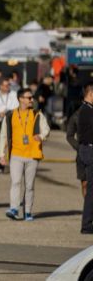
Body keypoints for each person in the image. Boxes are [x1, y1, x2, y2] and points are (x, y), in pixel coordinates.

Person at [0, 87, 50, 221]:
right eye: (29, 97)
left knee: (30, 185)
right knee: (15, 182)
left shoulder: (37, 114)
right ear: (21, 99)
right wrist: (1, 154)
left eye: (32, 98)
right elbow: (3, 135)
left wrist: (41, 136)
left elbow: (46, 130)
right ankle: (14, 208)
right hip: (16, 154)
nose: (32, 100)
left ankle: (27, 211)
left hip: (32, 155)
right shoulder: (10, 115)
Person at [0, 78, 19, 174]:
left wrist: (8, 112)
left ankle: (15, 166)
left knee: (12, 144)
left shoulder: (13, 94)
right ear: (0, 86)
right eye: (5, 85)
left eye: (8, 85)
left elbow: (16, 106)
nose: (7, 87)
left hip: (11, 122)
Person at [76, 83, 93, 234]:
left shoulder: (87, 109)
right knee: (91, 190)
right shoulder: (86, 110)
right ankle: (87, 224)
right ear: (90, 94)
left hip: (87, 149)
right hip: (89, 150)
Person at [66, 107, 87, 198]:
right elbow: (69, 136)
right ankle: (89, 208)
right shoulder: (76, 115)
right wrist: (79, 147)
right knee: (85, 184)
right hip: (83, 155)